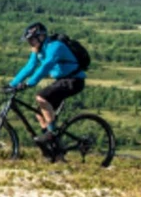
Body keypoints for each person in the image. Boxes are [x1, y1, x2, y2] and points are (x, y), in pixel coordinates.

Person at [8, 22, 86, 154]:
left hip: (74, 80)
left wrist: (29, 83)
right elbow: (30, 67)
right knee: (39, 113)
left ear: (41, 37)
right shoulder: (38, 50)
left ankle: (50, 134)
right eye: (29, 41)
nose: (30, 44)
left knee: (41, 97)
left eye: (31, 40)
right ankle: (55, 149)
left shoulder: (55, 46)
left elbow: (46, 67)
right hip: (63, 80)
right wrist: (12, 84)